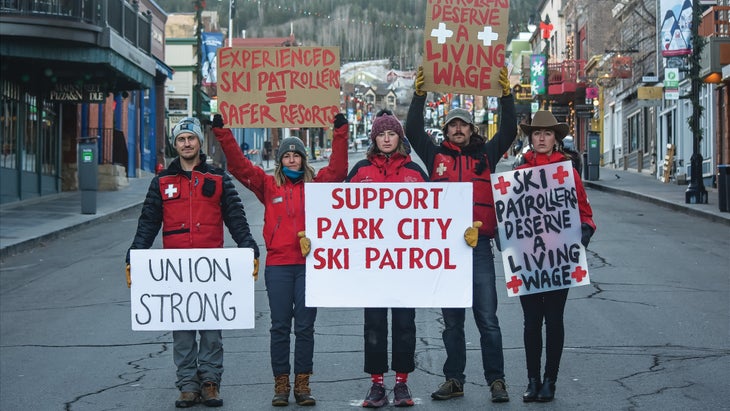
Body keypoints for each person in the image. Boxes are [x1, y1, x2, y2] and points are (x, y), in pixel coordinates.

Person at [211, 113, 349, 407]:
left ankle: (303, 384)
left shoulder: (317, 184)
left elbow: (338, 170)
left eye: (295, 155)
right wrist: (222, 133)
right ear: (280, 160)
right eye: (285, 155)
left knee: (305, 327)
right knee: (279, 326)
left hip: (310, 266)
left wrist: (341, 132)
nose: (291, 160)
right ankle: (281, 385)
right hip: (278, 266)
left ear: (302, 158)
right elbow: (239, 166)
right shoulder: (267, 185)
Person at [125, 116, 260, 408]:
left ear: (199, 142)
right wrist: (134, 253)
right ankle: (187, 384)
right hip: (176, 271)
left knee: (212, 329)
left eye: (191, 138)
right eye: (181, 140)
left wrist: (248, 245)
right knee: (183, 331)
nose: (186, 144)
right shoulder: (161, 182)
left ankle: (210, 382)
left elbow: (235, 217)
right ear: (175, 145)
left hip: (211, 270)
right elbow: (148, 222)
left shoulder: (218, 178)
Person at [404, 66, 516, 403]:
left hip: (479, 247)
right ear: (446, 130)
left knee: (487, 319)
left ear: (471, 130)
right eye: (452, 124)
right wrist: (419, 94)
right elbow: (412, 129)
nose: (457, 129)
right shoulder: (434, 156)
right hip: (446, 251)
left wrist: (506, 95)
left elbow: (509, 130)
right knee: (452, 322)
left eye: (462, 124)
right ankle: (454, 379)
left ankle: (497, 381)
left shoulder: (486, 155)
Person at [345, 111, 429, 408]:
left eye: (391, 133)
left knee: (405, 323)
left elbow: (435, 216)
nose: (386, 139)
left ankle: (402, 383)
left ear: (399, 137)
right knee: (375, 324)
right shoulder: (360, 171)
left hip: (407, 265)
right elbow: (340, 213)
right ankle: (377, 384)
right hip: (372, 265)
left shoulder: (416, 172)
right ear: (375, 138)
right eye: (381, 134)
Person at [515, 111, 596, 402]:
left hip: (559, 257)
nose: (541, 138)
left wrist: (584, 232)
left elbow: (585, 211)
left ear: (556, 139)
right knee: (531, 321)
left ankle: (551, 380)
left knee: (554, 319)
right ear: (531, 137)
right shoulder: (518, 171)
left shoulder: (567, 171)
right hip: (527, 259)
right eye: (537, 133)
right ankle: (532, 379)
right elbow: (509, 215)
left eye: (547, 133)